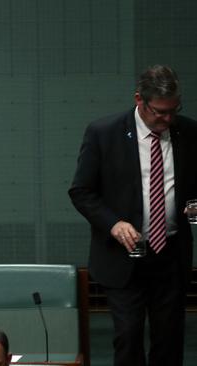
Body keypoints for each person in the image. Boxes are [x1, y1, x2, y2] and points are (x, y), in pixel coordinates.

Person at [69, 65, 197, 366]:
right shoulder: (104, 133)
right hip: (122, 255)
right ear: (139, 100)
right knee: (128, 335)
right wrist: (113, 223)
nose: (167, 119)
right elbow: (81, 192)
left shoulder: (190, 132)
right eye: (160, 112)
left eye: (173, 110)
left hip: (171, 254)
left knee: (169, 338)